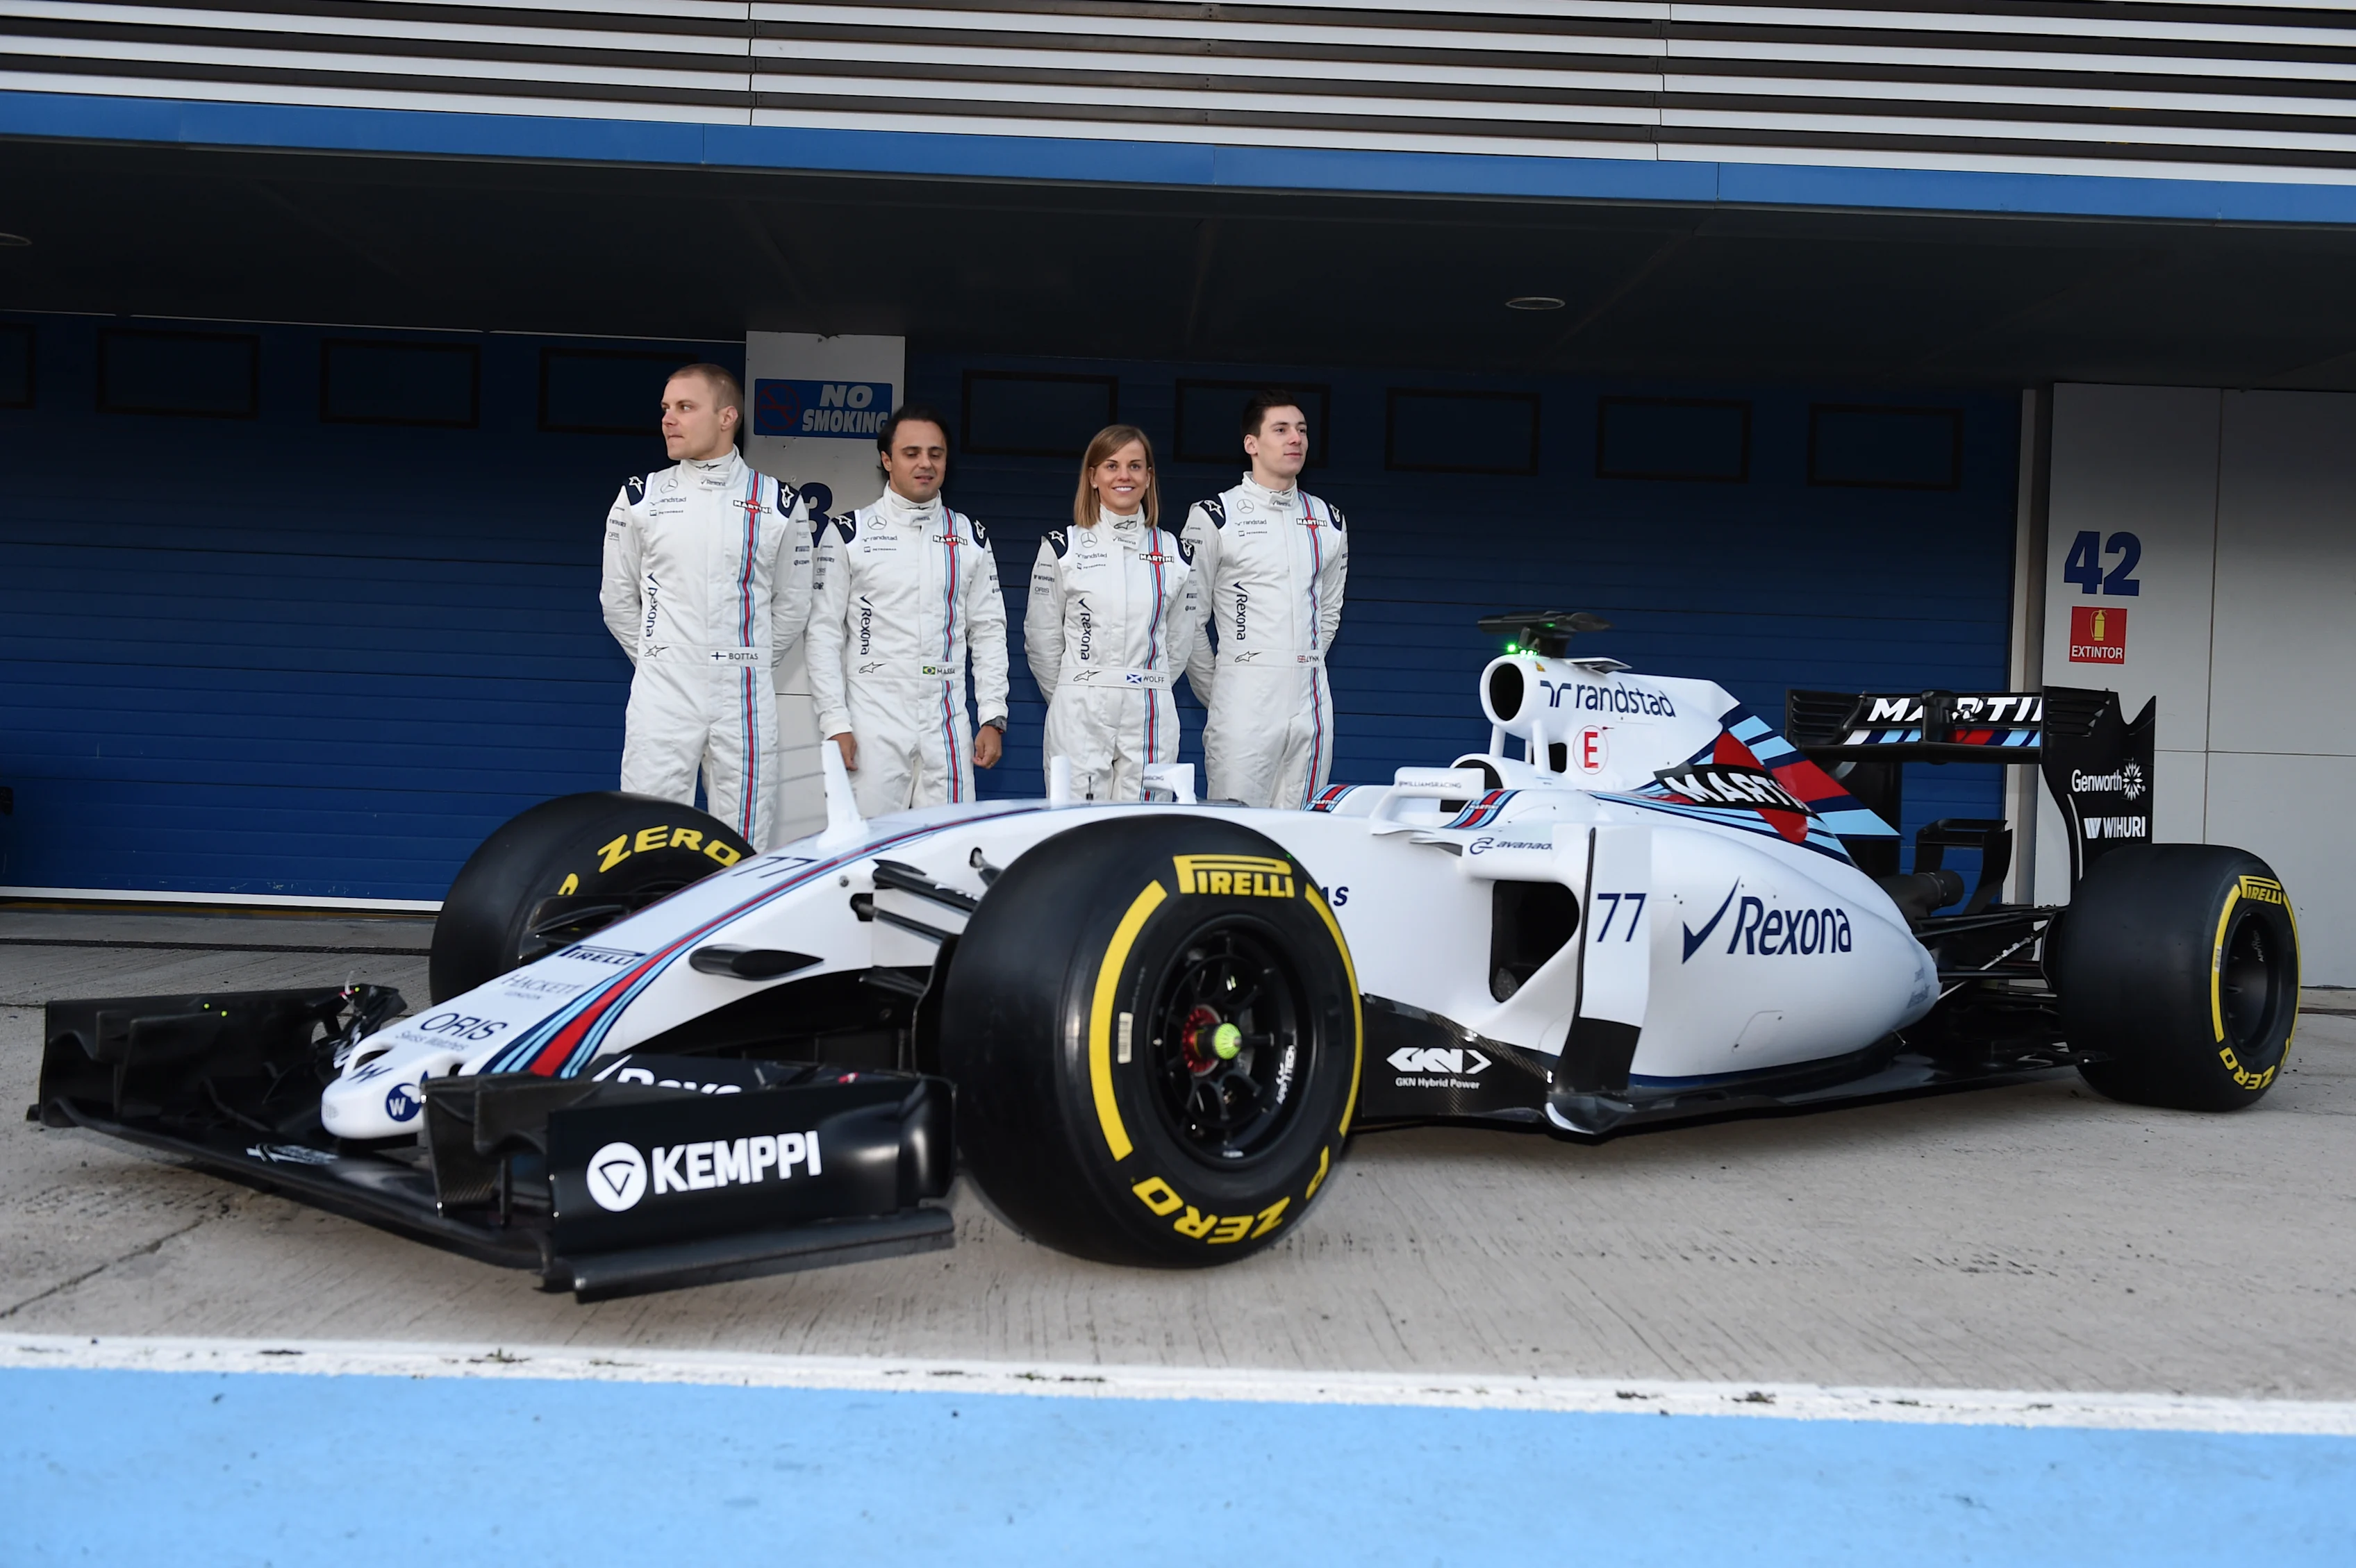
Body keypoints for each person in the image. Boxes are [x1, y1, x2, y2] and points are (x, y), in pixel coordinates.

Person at [600, 362, 813, 851]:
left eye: (685, 407)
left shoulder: (779, 503)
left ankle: (727, 928)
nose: (668, 420)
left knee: (742, 840)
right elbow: (617, 600)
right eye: (665, 409)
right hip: (662, 692)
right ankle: (652, 929)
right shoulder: (641, 497)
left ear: (727, 417)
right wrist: (664, 657)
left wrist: (746, 662)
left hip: (743, 695)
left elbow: (793, 607)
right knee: (645, 832)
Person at [806, 403, 1009, 817]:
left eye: (936, 453)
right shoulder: (849, 533)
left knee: (949, 850)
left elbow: (988, 631)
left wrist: (992, 716)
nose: (925, 464)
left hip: (947, 722)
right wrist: (836, 724)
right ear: (887, 459)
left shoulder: (971, 537)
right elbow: (824, 632)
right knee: (864, 854)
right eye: (911, 453)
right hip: (871, 719)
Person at [1181, 390, 1348, 808]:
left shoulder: (1329, 519)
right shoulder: (1214, 515)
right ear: (1251, 444)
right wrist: (1222, 690)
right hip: (1244, 697)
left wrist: (1299, 662)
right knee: (1236, 830)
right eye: (1281, 430)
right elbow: (1188, 618)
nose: (1296, 439)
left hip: (1311, 696)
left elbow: (1328, 612)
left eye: (1302, 430)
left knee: (1304, 829)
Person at [1025, 425, 1202, 801]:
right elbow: (1042, 642)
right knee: (1075, 832)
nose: (1125, 475)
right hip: (1079, 710)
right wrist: (1077, 691)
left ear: (1149, 477)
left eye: (1136, 466)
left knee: (1145, 831)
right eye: (1112, 465)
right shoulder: (1061, 548)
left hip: (1151, 710)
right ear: (1093, 477)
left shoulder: (1178, 555)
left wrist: (1143, 685)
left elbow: (1180, 641)